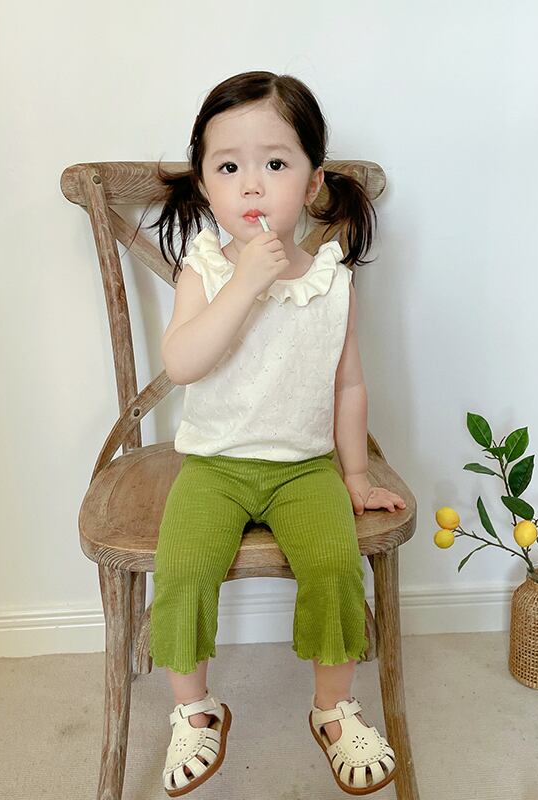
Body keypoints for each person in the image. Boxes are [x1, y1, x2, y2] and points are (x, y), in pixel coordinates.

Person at [140, 70, 407, 797]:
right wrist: (244, 285)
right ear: (205, 186)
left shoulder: (330, 281)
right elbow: (183, 362)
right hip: (215, 465)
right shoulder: (203, 271)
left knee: (334, 564)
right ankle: (195, 709)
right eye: (229, 168)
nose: (252, 185)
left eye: (276, 164)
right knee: (183, 567)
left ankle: (333, 708)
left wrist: (355, 476)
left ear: (313, 183)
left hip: (304, 466)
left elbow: (348, 384)